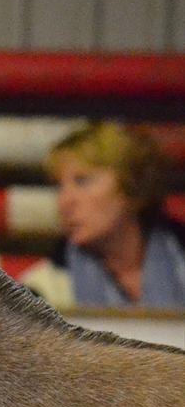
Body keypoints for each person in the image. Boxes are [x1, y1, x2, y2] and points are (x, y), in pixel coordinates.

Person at [20, 122, 185, 309]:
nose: (64, 201)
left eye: (82, 181)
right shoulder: (40, 292)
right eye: (59, 186)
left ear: (131, 185)